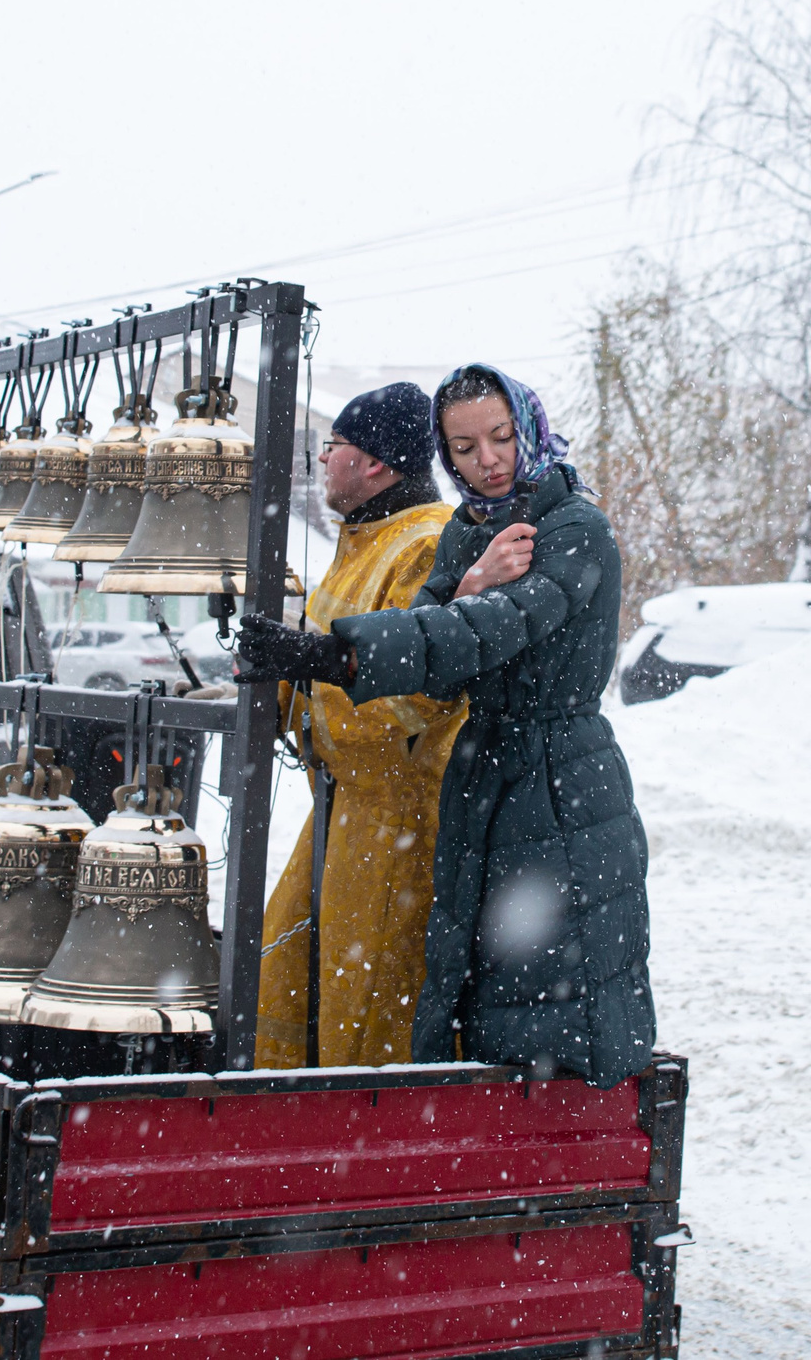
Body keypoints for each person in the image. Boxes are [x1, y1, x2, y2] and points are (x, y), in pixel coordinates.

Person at [237, 364, 655, 1087]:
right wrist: (461, 585)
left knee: (561, 982)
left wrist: (329, 653)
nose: (486, 460)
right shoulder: (469, 532)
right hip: (486, 775)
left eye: (498, 438)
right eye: (463, 448)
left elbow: (488, 628)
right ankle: (456, 1153)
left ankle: (563, 1157)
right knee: (482, 979)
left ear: (528, 429)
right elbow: (432, 631)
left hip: (560, 776)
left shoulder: (575, 529)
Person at [253, 383, 465, 1069]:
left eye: (331, 445)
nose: (322, 460)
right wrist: (268, 678)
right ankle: (281, 1140)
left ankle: (352, 1147)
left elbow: (411, 698)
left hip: (395, 823)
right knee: (287, 970)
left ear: (375, 463)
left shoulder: (426, 546)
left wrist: (307, 679)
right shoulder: (362, 540)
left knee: (366, 1002)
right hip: (342, 811)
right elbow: (322, 673)